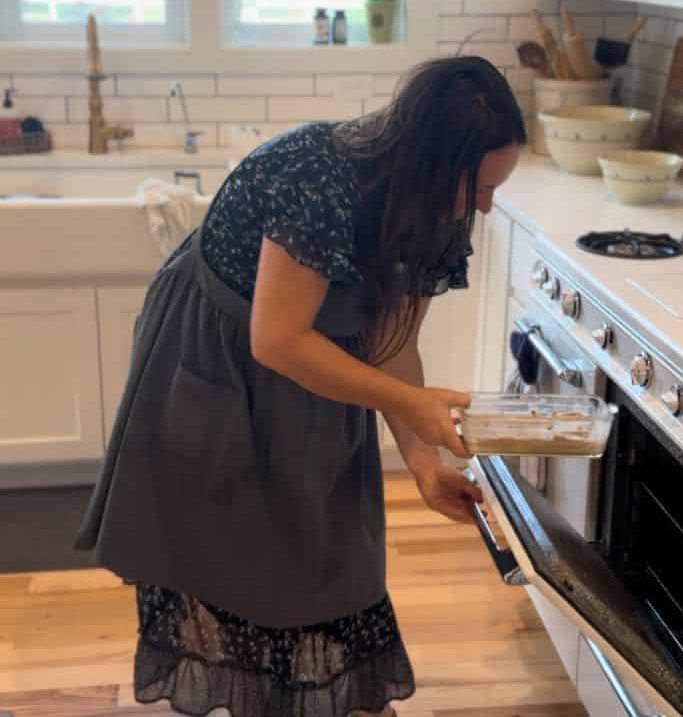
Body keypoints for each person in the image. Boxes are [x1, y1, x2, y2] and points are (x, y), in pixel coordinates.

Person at [76, 55, 526, 717]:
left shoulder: (438, 207)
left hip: (319, 372)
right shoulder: (316, 173)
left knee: (324, 554)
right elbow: (277, 340)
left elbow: (394, 344)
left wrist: (425, 464)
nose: (483, 207)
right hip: (220, 357)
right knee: (230, 555)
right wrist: (412, 406)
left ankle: (312, 703)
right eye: (477, 187)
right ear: (428, 162)